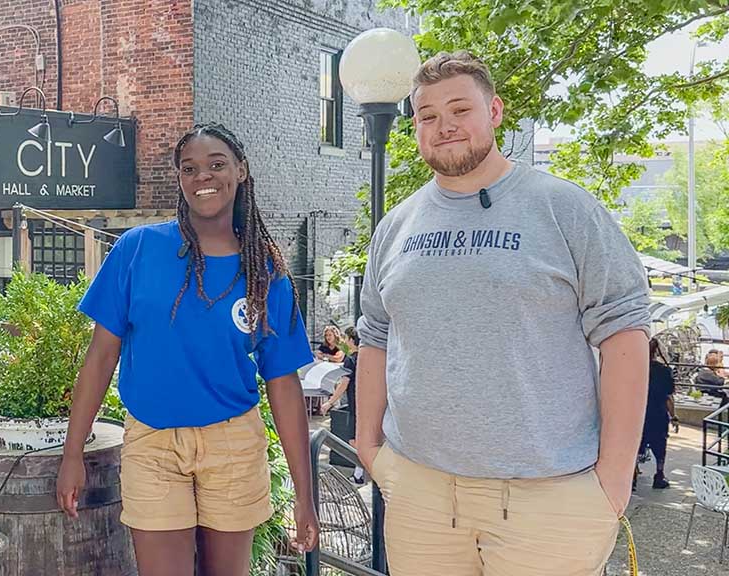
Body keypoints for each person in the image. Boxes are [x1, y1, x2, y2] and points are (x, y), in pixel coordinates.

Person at [355, 51, 651, 576]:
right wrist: (369, 447)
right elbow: (376, 337)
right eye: (427, 116)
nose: (444, 126)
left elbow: (624, 334)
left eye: (459, 109)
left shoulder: (565, 208)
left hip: (548, 496)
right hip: (421, 492)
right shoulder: (396, 226)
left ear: (494, 112)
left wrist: (614, 479)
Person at [56, 122, 319, 576]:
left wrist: (304, 492)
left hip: (234, 445)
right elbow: (100, 358)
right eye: (190, 168)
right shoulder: (137, 249)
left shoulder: (265, 269)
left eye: (217, 165)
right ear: (179, 178)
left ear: (240, 171)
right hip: (153, 444)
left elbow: (283, 382)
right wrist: (72, 453)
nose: (204, 177)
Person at [320, 327, 364, 484]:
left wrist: (330, 402)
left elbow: (344, 383)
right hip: (367, 403)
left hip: (356, 404)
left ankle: (359, 474)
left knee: (354, 441)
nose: (344, 341)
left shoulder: (351, 359)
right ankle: (362, 472)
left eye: (346, 338)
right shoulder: (365, 356)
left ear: (352, 339)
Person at [635, 338, 676, 490]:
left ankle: (632, 477)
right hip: (658, 412)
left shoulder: (634, 368)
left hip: (637, 412)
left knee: (636, 443)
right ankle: (659, 476)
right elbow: (669, 397)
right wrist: (674, 416)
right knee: (660, 444)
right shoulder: (664, 371)